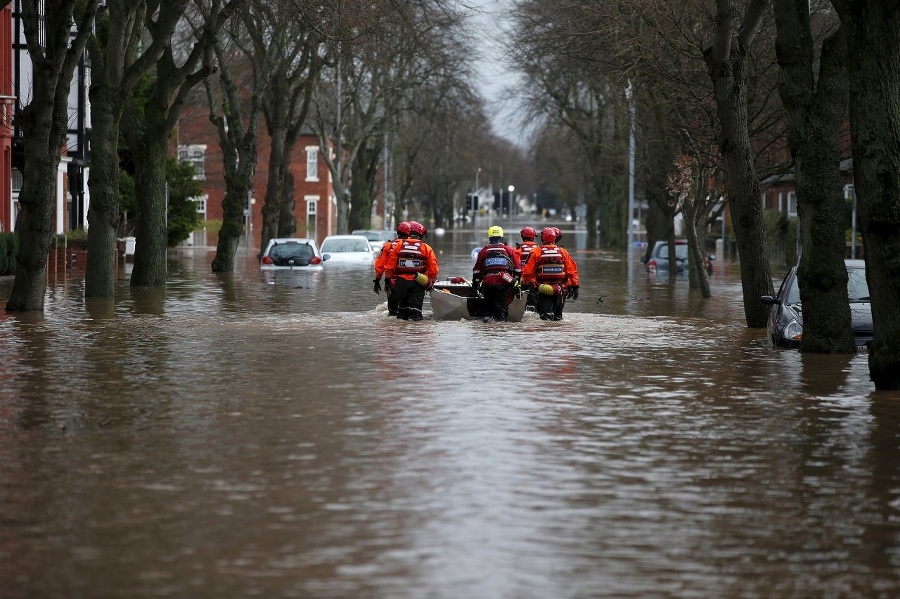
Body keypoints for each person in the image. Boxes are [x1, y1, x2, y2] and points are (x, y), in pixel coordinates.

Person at [383, 221, 439, 321]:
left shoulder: (399, 246)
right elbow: (433, 270)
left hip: (401, 283)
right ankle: (414, 335)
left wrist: (387, 280)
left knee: (401, 313)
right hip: (418, 282)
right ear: (421, 235)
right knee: (416, 314)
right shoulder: (426, 248)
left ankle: (402, 334)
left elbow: (390, 266)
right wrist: (430, 282)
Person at [521, 226, 579, 321]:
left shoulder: (536, 251)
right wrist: (575, 287)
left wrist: (525, 285)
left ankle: (547, 334)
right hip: (561, 290)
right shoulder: (563, 252)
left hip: (543, 290)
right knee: (558, 318)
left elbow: (527, 272)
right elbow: (572, 271)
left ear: (542, 238)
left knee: (545, 317)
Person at [472, 225, 521, 322]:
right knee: (501, 313)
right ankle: (500, 328)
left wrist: (476, 284)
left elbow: (476, 270)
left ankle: (488, 322)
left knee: (488, 312)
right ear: (501, 237)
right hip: (503, 283)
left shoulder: (484, 250)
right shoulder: (508, 249)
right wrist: (516, 284)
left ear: (489, 237)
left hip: (488, 282)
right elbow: (518, 270)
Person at [372, 222, 410, 316]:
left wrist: (377, 282)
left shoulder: (388, 246)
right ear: (409, 233)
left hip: (392, 282)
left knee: (392, 314)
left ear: (397, 232)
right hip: (411, 282)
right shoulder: (414, 246)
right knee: (410, 312)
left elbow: (379, 266)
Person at [514, 226, 538, 311]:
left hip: (522, 278)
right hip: (535, 280)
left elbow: (515, 263)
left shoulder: (519, 247)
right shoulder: (538, 248)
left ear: (522, 236)